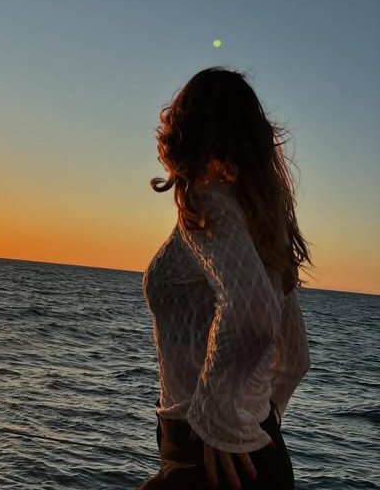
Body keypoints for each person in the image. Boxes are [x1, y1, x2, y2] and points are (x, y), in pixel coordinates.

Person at [139, 67, 311, 490]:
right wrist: (251, 420)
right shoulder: (262, 225)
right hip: (259, 454)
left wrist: (219, 420)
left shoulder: (205, 204)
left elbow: (252, 314)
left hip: (208, 456)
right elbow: (295, 358)